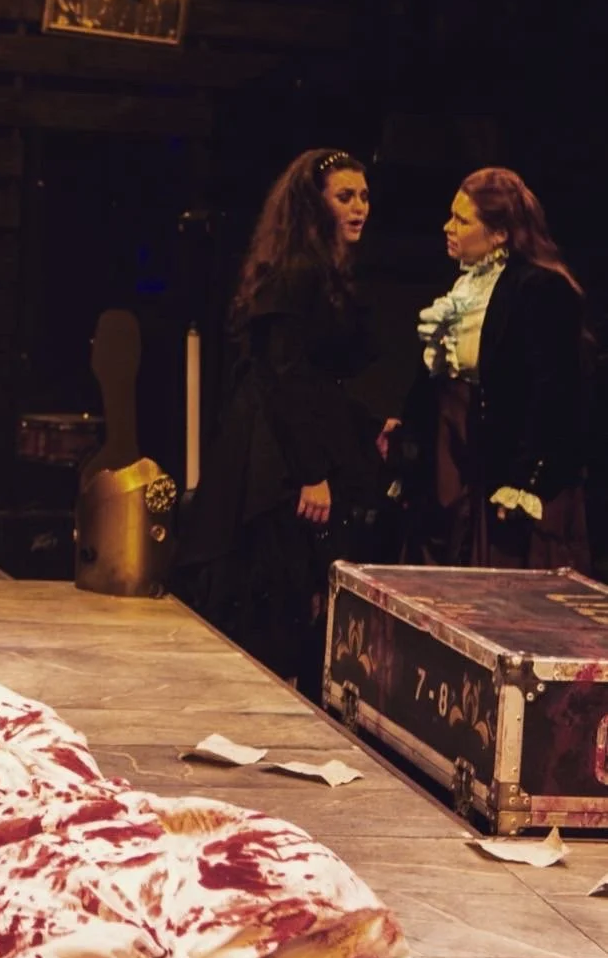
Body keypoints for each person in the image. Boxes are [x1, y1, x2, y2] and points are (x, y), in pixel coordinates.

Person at [175, 149, 389, 698]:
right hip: (274, 451)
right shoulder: (295, 273)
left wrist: (365, 425)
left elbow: (322, 376)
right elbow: (284, 379)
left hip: (297, 435)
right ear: (314, 205)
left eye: (364, 196)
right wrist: (311, 473)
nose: (360, 208)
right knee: (274, 582)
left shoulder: (327, 272)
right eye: (345, 197)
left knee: (303, 586)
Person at [396, 167, 590, 571]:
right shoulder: (463, 288)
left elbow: (553, 390)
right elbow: (435, 379)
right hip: (454, 453)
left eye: (462, 220)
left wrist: (527, 479)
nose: (448, 227)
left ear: (499, 234)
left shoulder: (538, 288)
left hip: (499, 454)